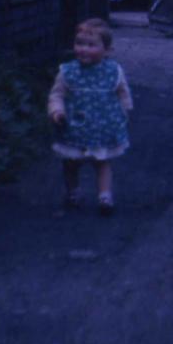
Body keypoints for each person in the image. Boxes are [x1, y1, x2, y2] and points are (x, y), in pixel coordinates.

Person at [48, 18, 132, 215]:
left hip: (102, 127)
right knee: (70, 162)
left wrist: (125, 110)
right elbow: (57, 94)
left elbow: (122, 91)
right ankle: (73, 192)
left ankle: (105, 195)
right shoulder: (68, 72)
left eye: (91, 45)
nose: (83, 49)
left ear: (107, 49)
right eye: (79, 43)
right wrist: (56, 110)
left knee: (102, 162)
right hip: (74, 127)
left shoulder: (113, 71)